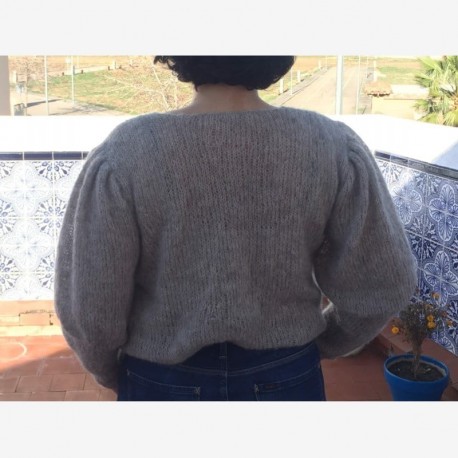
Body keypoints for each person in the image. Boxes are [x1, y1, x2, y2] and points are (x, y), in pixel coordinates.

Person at [54, 56, 417, 401]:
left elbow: (90, 302)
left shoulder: (127, 150)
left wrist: (109, 370)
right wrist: (323, 343)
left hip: (159, 376)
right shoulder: (331, 144)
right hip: (287, 371)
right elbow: (385, 282)